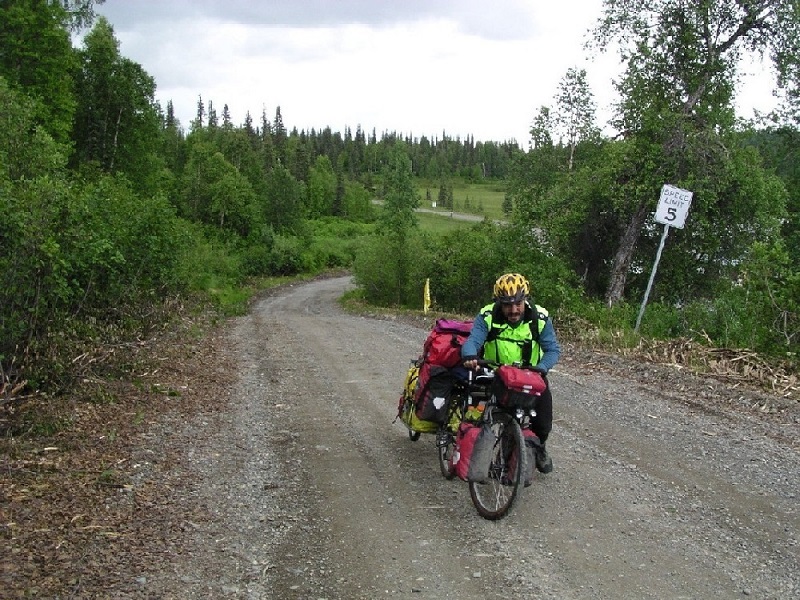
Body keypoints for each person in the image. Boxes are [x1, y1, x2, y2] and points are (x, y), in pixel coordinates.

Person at [461, 272, 561, 473]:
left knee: (543, 421)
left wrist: (541, 369)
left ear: (526, 300)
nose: (514, 310)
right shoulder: (488, 316)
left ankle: (539, 448)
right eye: (507, 305)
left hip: (530, 376)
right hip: (497, 376)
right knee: (484, 414)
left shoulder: (539, 318)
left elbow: (553, 350)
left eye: (518, 303)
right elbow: (473, 340)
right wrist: (470, 355)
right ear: (498, 302)